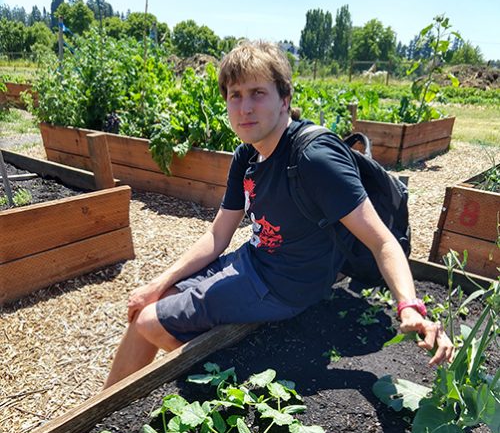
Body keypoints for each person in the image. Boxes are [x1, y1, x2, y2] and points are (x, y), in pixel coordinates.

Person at [103, 40, 453, 388]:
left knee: (150, 323)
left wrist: (410, 306)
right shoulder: (247, 157)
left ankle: (225, 382)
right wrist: (157, 283)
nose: (244, 108)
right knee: (145, 310)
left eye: (258, 93)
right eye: (235, 95)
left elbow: (382, 242)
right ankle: (97, 418)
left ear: (284, 99)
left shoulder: (315, 158)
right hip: (253, 262)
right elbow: (217, 236)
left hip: (287, 286)